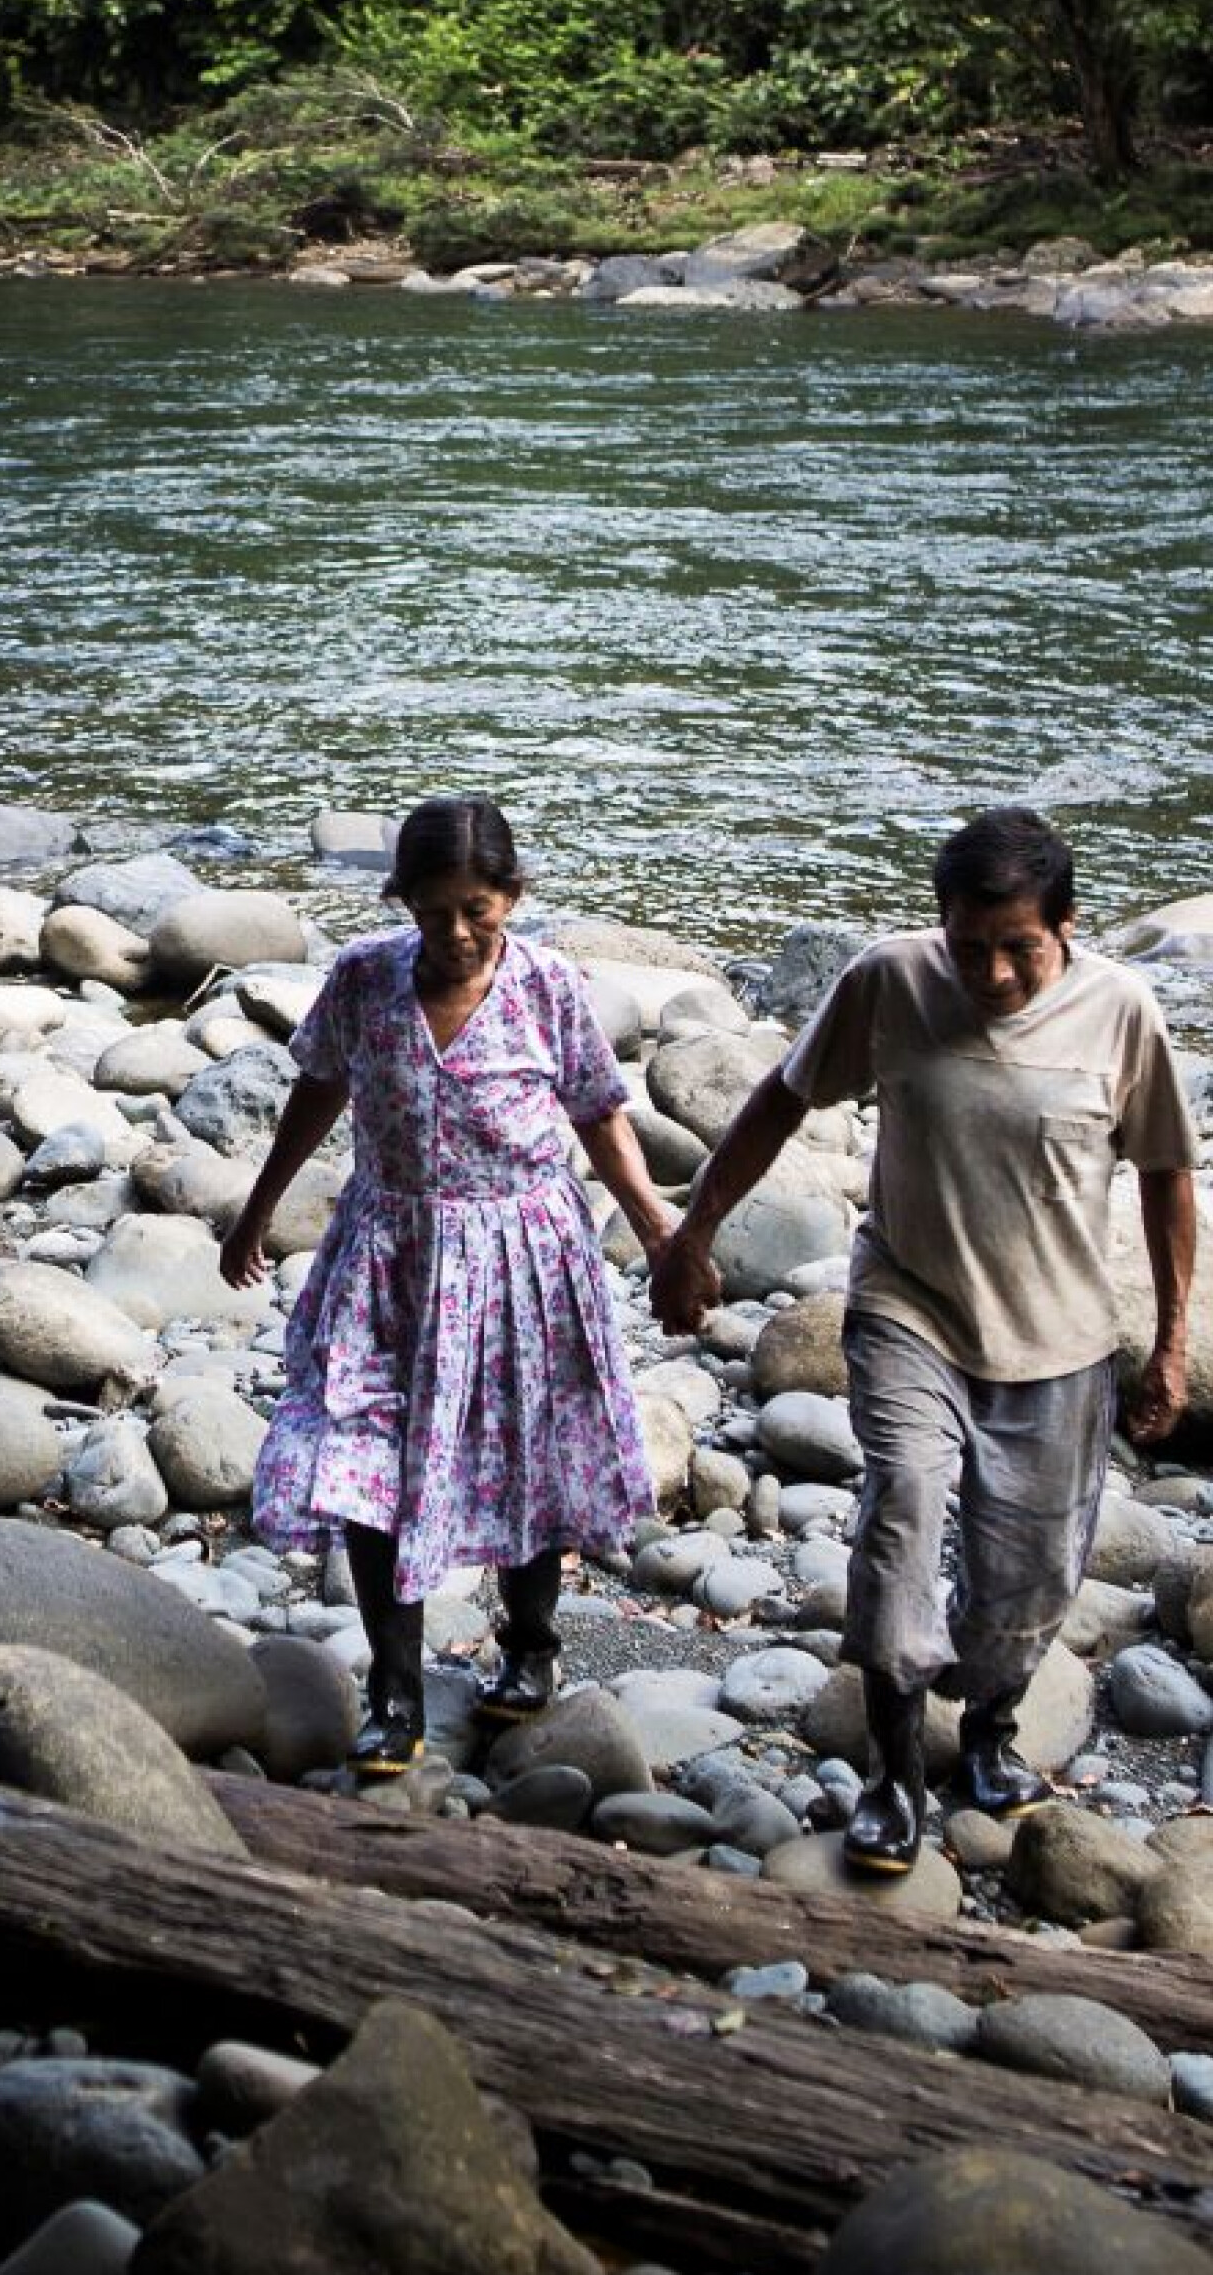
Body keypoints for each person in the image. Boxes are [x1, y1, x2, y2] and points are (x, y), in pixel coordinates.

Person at [652, 808, 1199, 1877]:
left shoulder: (1119, 1010)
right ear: (937, 923)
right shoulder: (888, 981)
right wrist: (694, 1229)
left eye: (1018, 948)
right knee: (899, 1511)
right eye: (967, 944)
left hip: (1059, 1338)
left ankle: (989, 1720)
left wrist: (1172, 1341)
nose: (990, 972)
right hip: (908, 1308)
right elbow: (779, 1097)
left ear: (1067, 928)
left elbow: (1165, 1177)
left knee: (1030, 1577)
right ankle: (891, 1776)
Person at [221, 796, 684, 1777]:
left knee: (525, 1459)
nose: (457, 932)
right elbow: (318, 1086)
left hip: (521, 1259)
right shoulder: (362, 980)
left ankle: (528, 1647)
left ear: (511, 895)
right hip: (387, 1255)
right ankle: (393, 1696)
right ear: (403, 905)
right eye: (434, 913)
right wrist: (257, 1206)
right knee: (361, 1468)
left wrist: (656, 1226)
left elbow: (598, 1112)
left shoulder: (548, 985)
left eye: (476, 908)